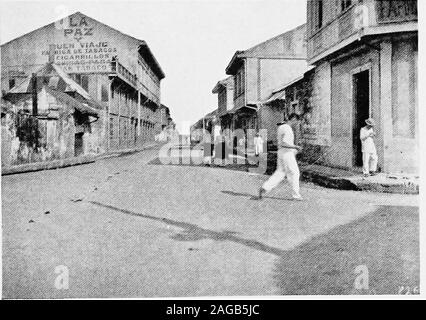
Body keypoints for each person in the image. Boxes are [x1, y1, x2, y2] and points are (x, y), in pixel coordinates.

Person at [258, 114, 303, 201]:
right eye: (296, 121)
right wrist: (295, 147)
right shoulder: (288, 129)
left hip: (281, 153)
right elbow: (284, 143)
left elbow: (281, 142)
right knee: (295, 172)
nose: (296, 124)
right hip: (287, 154)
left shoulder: (281, 127)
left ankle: (265, 188)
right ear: (293, 119)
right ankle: (296, 195)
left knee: (280, 173)